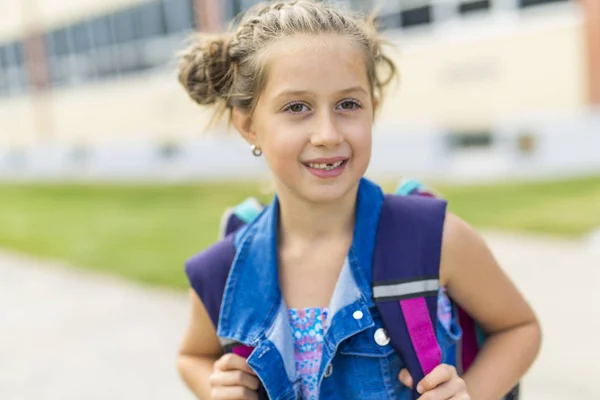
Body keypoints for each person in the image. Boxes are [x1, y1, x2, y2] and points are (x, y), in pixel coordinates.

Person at [175, 1, 541, 399]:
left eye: (348, 104)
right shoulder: (224, 272)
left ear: (373, 110)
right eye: (297, 107)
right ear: (248, 126)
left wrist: (471, 392)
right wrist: (215, 390)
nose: (328, 134)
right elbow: (192, 355)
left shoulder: (432, 239)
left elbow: (519, 328)